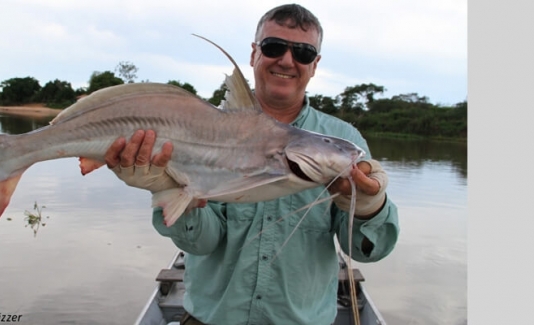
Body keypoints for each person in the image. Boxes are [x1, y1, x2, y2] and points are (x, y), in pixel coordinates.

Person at [103, 4, 399, 325]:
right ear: (254, 53)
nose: (287, 60)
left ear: (315, 64)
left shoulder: (343, 137)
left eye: (302, 52)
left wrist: (369, 204)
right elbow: (202, 243)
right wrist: (167, 189)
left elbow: (369, 249)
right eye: (274, 47)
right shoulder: (203, 128)